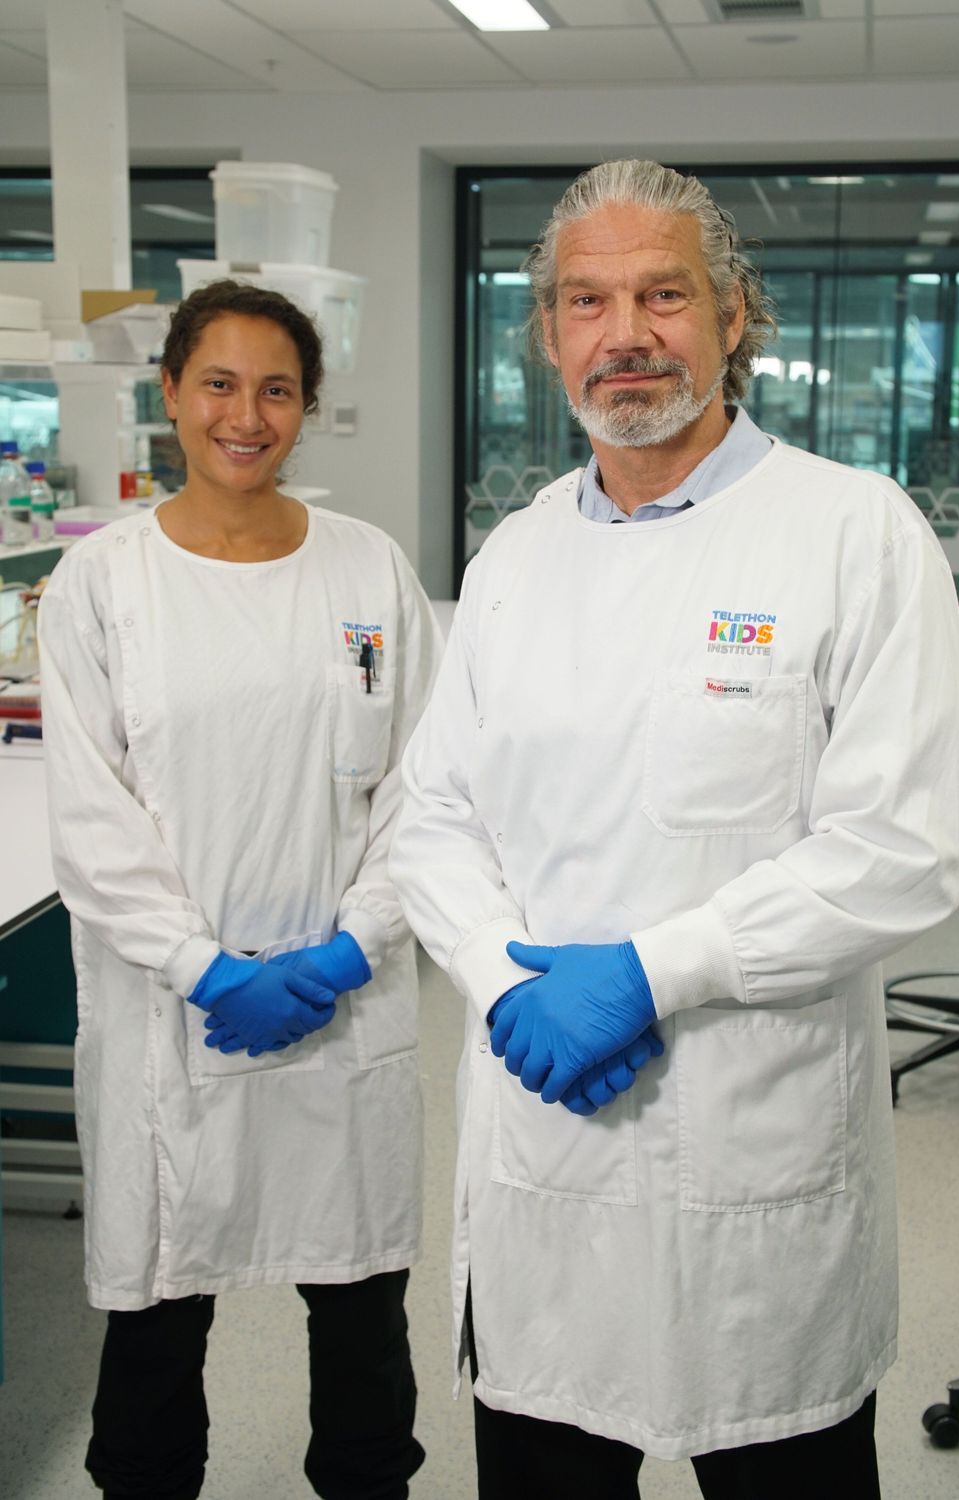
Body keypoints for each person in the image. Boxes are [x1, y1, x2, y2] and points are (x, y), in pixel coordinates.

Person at [389, 161, 959, 1499]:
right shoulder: (514, 556)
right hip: (548, 1136)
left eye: (663, 294)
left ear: (732, 315)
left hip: (752, 1148)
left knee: (778, 1454)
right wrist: (500, 980)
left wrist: (649, 975)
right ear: (549, 335)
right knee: (548, 1457)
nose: (626, 334)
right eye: (587, 302)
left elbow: (904, 847)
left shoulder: (854, 533)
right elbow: (433, 814)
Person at [39, 279, 441, 1500]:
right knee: (159, 1318)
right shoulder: (104, 583)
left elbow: (428, 786)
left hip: (344, 1005)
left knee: (360, 1313)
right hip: (175, 1016)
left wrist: (350, 949)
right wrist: (205, 969)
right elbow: (92, 817)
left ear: (306, 407)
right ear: (171, 393)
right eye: (218, 383)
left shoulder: (368, 570)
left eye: (276, 390)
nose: (246, 416)